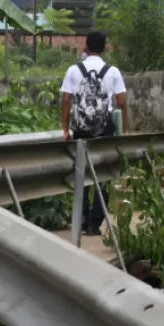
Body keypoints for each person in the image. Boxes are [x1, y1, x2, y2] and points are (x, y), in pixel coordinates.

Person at [60, 31, 129, 236]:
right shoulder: (113, 71)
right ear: (105, 48)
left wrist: (65, 129)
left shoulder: (73, 70)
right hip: (105, 128)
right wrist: (124, 131)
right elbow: (122, 102)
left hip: (80, 129)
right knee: (104, 175)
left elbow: (66, 101)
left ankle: (80, 220)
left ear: (86, 46)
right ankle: (94, 223)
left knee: (81, 172)